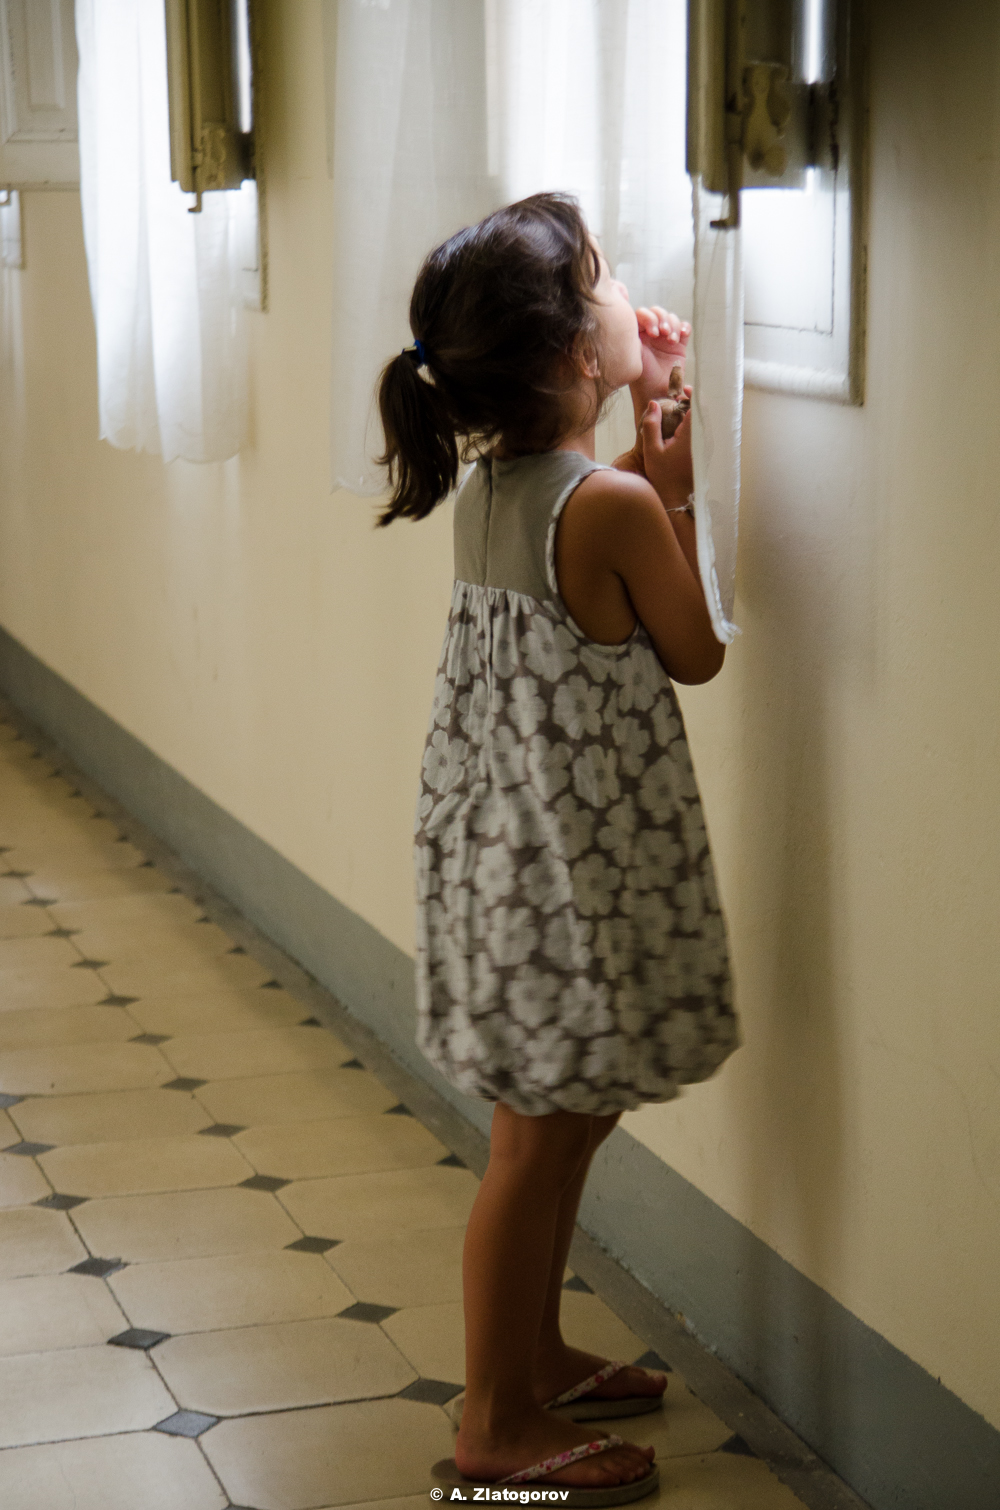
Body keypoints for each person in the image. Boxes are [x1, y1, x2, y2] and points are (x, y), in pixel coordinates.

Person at [375, 192, 740, 1504]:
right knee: (542, 1140)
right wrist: (675, 492)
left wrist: (654, 464)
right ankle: (494, 1418)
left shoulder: (496, 490)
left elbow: (589, 544)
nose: (620, 286)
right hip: (570, 886)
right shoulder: (605, 509)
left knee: (555, 1127)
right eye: (600, 279)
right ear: (575, 356)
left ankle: (530, 1355)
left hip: (498, 866)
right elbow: (690, 649)